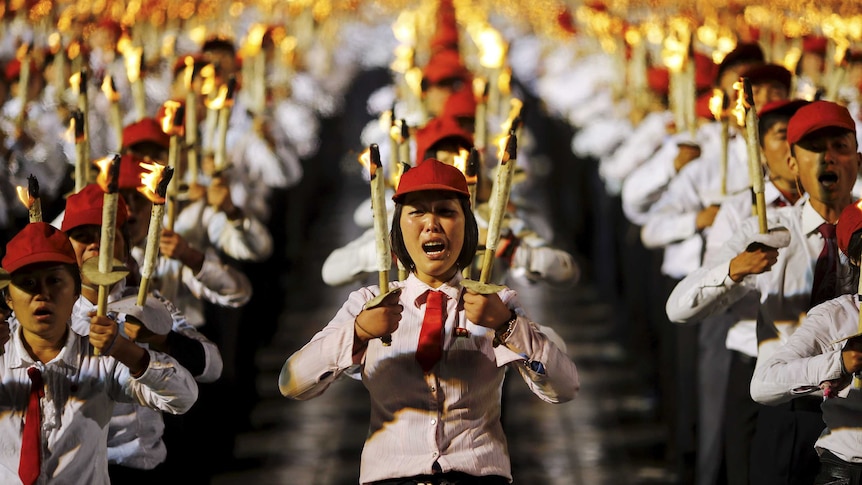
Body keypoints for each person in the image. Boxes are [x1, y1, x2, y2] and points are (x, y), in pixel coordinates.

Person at [280, 158, 579, 484]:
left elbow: (564, 388)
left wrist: (508, 325)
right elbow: (292, 382)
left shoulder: (496, 302)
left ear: (467, 227)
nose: (431, 224)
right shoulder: (369, 303)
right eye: (417, 212)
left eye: (446, 212)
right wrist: (359, 332)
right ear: (398, 229)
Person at [666, 100, 862, 484]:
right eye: (814, 149)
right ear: (792, 164)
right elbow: (679, 309)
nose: (829, 159)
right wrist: (735, 269)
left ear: (858, 158)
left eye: (840, 147)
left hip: (854, 425)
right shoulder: (767, 231)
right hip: (788, 407)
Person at [0, 221, 198, 484]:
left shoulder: (101, 361)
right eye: (28, 283)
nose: (43, 293)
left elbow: (183, 397)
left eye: (55, 280)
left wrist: (125, 350)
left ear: (75, 292)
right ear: (8, 298)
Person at [58, 183, 223, 482]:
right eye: (82, 237)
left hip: (137, 466)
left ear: (124, 242)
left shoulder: (148, 305)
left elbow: (212, 366)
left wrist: (160, 339)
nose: (96, 245)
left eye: (107, 235)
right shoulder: (52, 314)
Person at [750, 200, 862, 485]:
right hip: (848, 472)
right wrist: (839, 363)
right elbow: (764, 382)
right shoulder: (837, 316)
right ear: (856, 258)